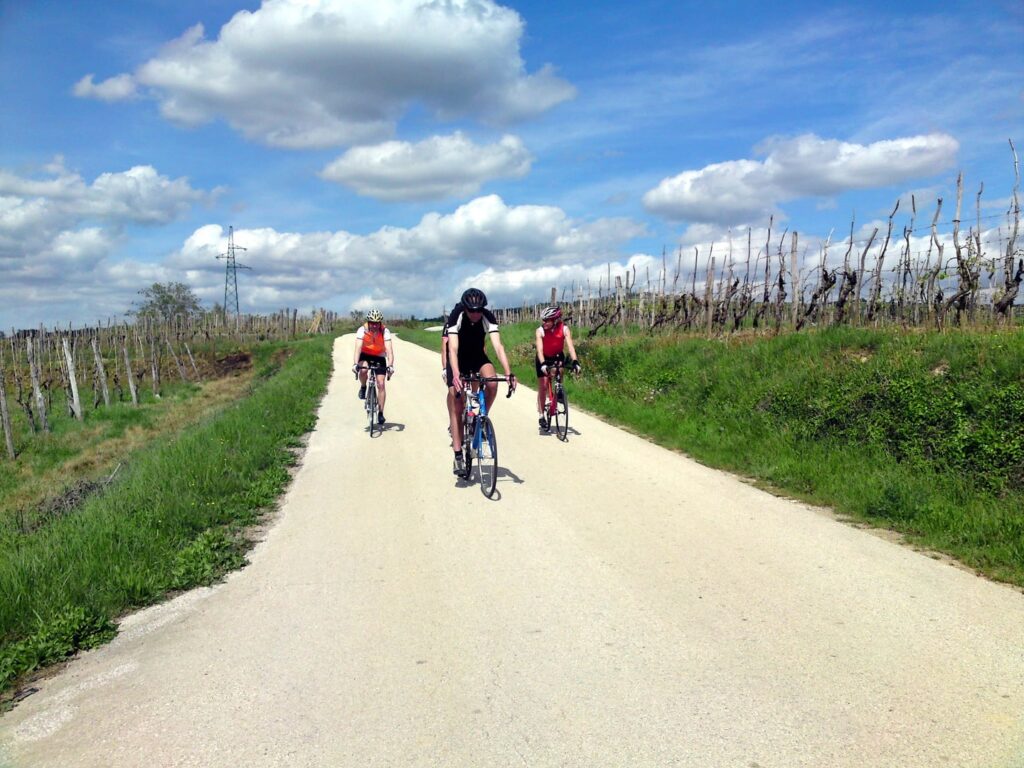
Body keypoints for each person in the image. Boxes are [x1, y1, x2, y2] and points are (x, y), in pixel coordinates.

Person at [445, 288, 516, 475]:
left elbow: (498, 346)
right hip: (458, 358)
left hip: (477, 355)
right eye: (472, 310)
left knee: (492, 382)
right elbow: (452, 348)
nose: (476, 314)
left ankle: (480, 421)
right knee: (457, 401)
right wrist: (456, 375)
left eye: (479, 310)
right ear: (465, 308)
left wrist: (508, 373)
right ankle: (458, 455)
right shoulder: (456, 316)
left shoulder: (487, 316)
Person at [535, 305, 580, 430]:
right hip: (543, 357)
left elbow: (570, 346)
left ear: (555, 321)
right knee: (543, 385)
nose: (544, 323)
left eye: (547, 320)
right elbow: (539, 349)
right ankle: (541, 414)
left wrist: (575, 361)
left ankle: (558, 392)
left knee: (559, 371)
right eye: (543, 320)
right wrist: (543, 364)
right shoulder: (540, 331)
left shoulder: (564, 329)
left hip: (557, 355)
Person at [352, 308, 394, 425]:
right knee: (364, 370)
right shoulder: (362, 330)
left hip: (379, 356)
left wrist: (390, 365)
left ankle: (380, 413)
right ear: (368, 322)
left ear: (380, 323)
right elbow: (358, 349)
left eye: (377, 323)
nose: (374, 326)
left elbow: (389, 351)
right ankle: (363, 386)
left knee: (381, 383)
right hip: (365, 354)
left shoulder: (385, 331)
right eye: (372, 323)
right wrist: (355, 364)